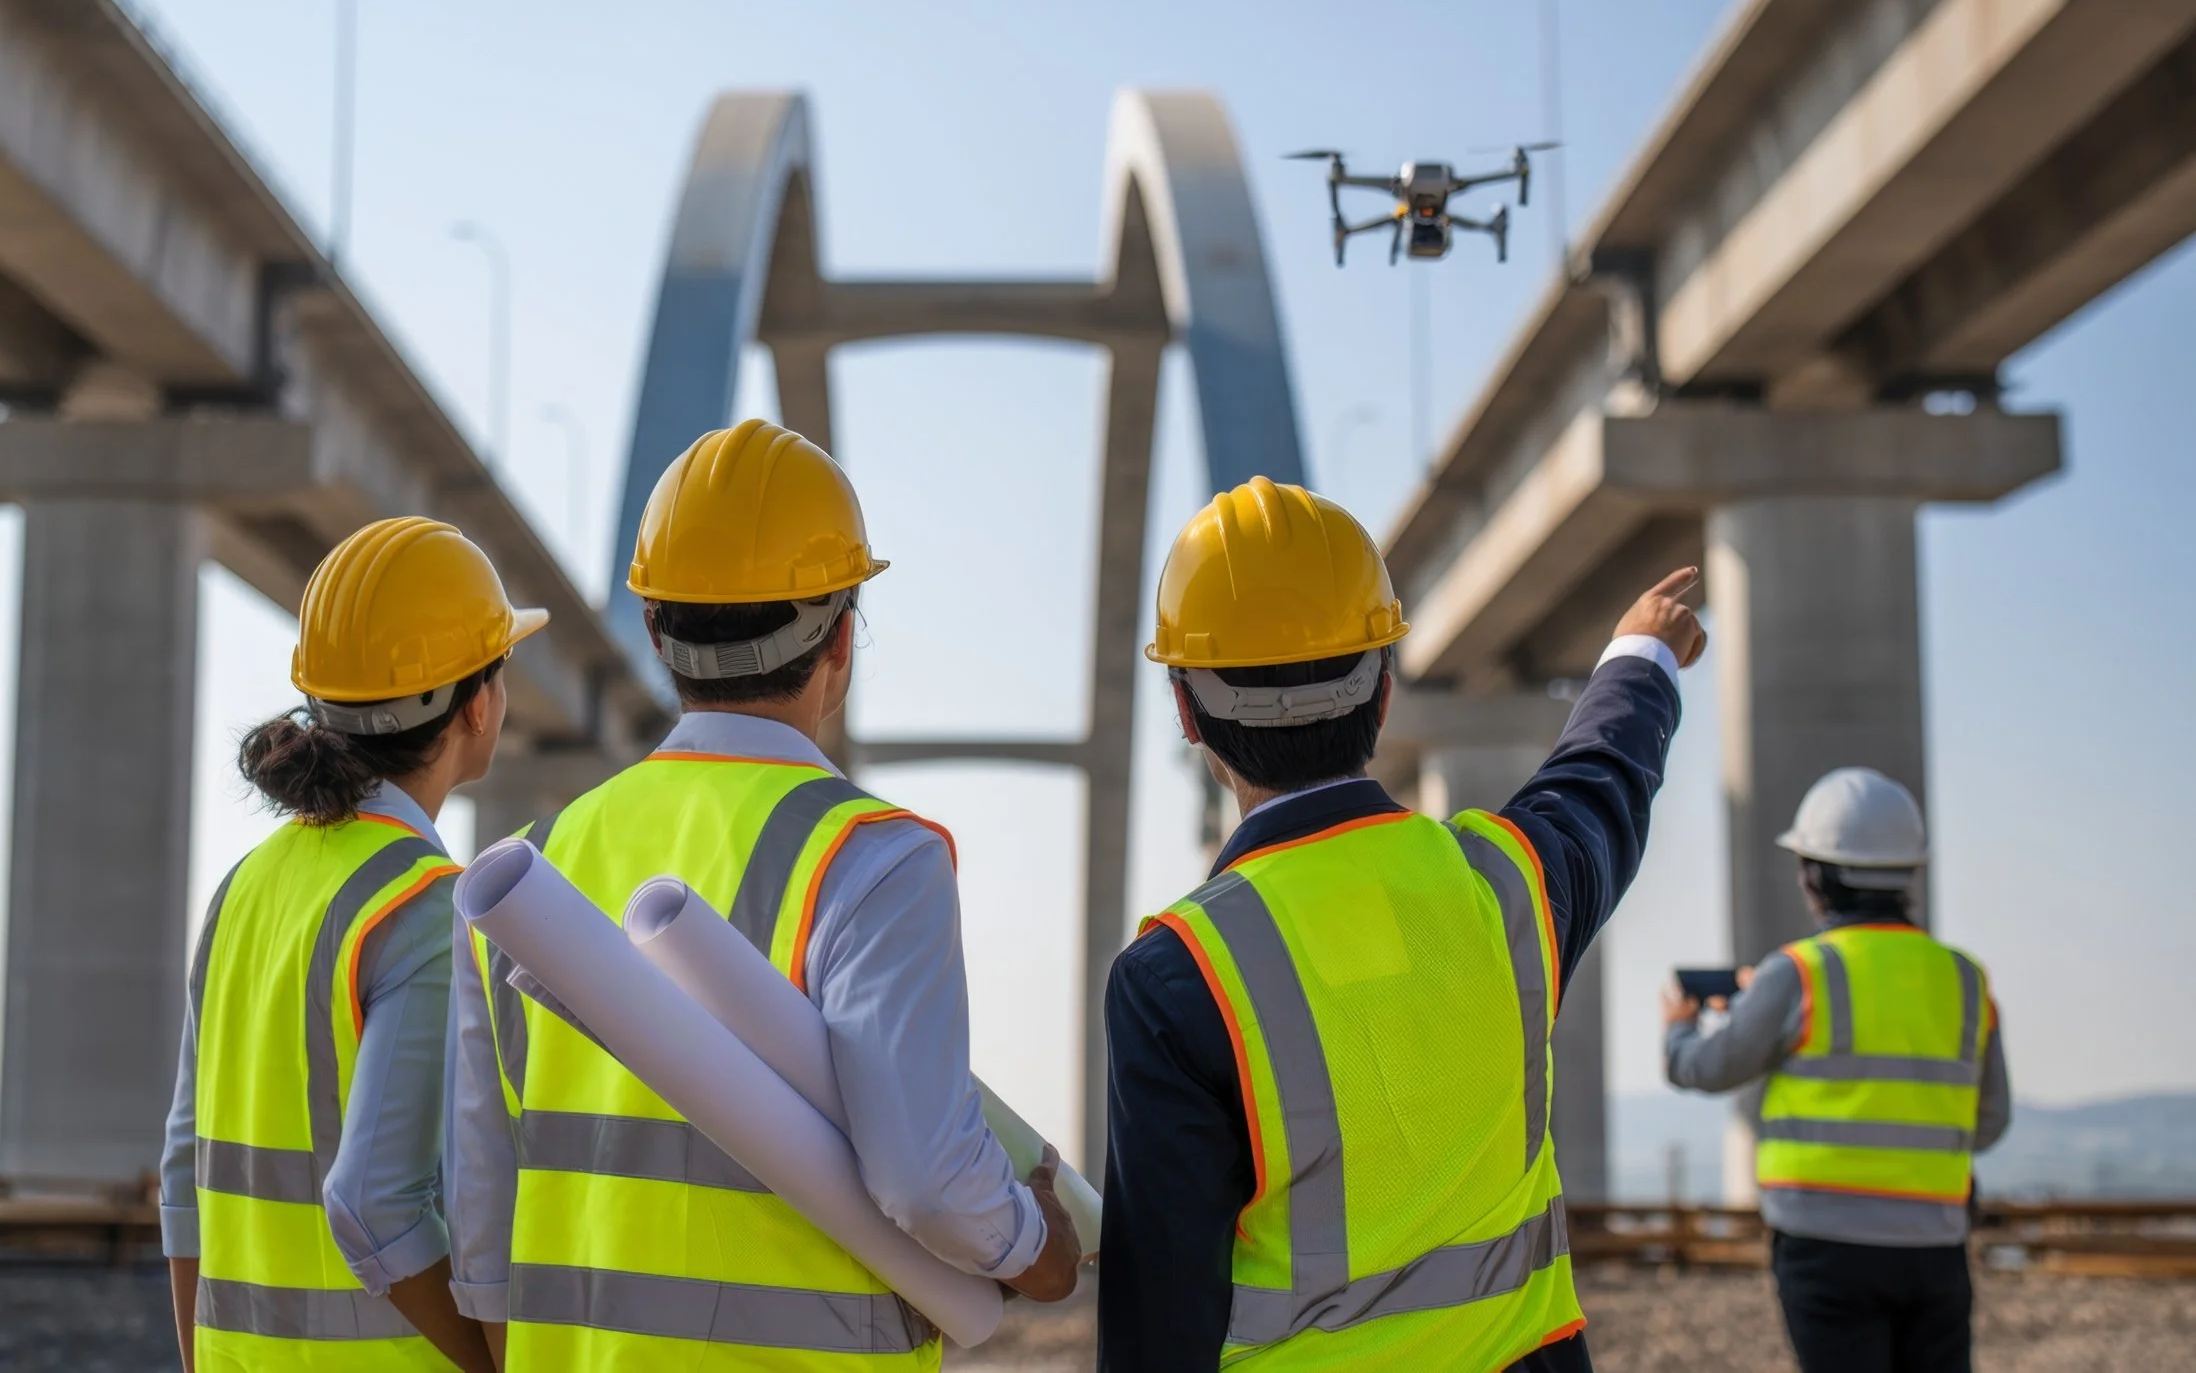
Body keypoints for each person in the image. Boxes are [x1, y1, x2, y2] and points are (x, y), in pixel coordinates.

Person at [446, 417, 1080, 1369]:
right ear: (841, 643)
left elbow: (482, 1212)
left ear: (655, 629)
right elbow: (926, 1179)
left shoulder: (534, 867)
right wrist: (1039, 1249)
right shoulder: (874, 860)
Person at [1099, 477, 1706, 1372]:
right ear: (1384, 690)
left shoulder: (1179, 977)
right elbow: (1600, 781)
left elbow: (1162, 1319)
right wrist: (1639, 657)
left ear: (1189, 715)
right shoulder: (1509, 888)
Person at [162, 516, 545, 1373]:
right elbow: (372, 1204)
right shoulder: (423, 905)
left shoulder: (245, 887)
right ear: (477, 704)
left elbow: (184, 1170)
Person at [1665, 767, 2009, 1373]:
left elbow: (1706, 1067)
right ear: (1910, 871)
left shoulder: (1799, 973)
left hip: (1827, 1249)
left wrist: (1680, 1025)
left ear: (1813, 876)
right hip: (1936, 1244)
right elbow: (1987, 1123)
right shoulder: (1965, 978)